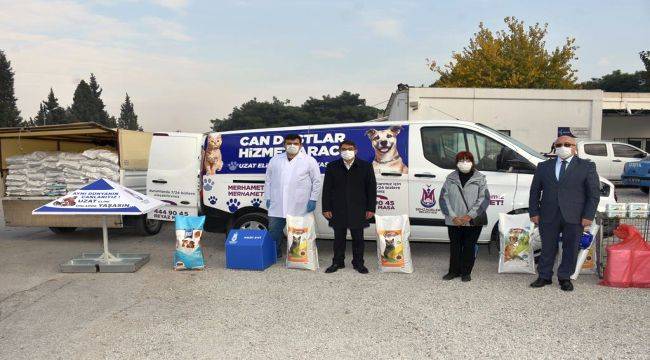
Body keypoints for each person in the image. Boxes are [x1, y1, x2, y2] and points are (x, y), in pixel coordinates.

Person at [529, 135, 600, 291]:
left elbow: (593, 194)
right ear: (555, 147)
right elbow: (535, 191)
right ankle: (544, 276)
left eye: (567, 144)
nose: (563, 147)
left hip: (575, 215)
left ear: (574, 147)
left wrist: (588, 215)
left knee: (571, 248)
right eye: (559, 144)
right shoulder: (543, 166)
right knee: (547, 246)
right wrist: (533, 211)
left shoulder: (586, 166)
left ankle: (565, 277)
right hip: (548, 214)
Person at [321, 140, 377, 274]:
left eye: (350, 148)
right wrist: (326, 208)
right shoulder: (332, 166)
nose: (347, 151)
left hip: (359, 208)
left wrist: (371, 208)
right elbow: (327, 189)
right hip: (337, 208)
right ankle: (337, 262)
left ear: (356, 151)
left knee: (358, 238)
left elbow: (371, 189)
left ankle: (358, 263)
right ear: (340, 151)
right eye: (344, 149)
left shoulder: (365, 166)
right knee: (338, 238)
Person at [264, 134, 322, 258]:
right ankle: (274, 253)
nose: (292, 146)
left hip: (300, 204)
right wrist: (268, 197)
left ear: (300, 145)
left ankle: (297, 255)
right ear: (284, 145)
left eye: (295, 143)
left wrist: (313, 199)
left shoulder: (309, 160)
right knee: (274, 230)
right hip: (277, 203)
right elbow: (268, 180)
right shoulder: (275, 160)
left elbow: (317, 181)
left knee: (298, 230)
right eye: (289, 143)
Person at [439, 151, 490, 282]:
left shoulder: (480, 178)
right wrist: (453, 217)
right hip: (454, 220)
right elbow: (443, 198)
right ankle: (453, 271)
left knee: (469, 246)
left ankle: (466, 272)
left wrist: (469, 216)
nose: (464, 163)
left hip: (472, 220)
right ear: (456, 163)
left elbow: (484, 199)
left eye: (468, 160)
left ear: (473, 162)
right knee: (455, 246)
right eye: (461, 160)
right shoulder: (450, 178)